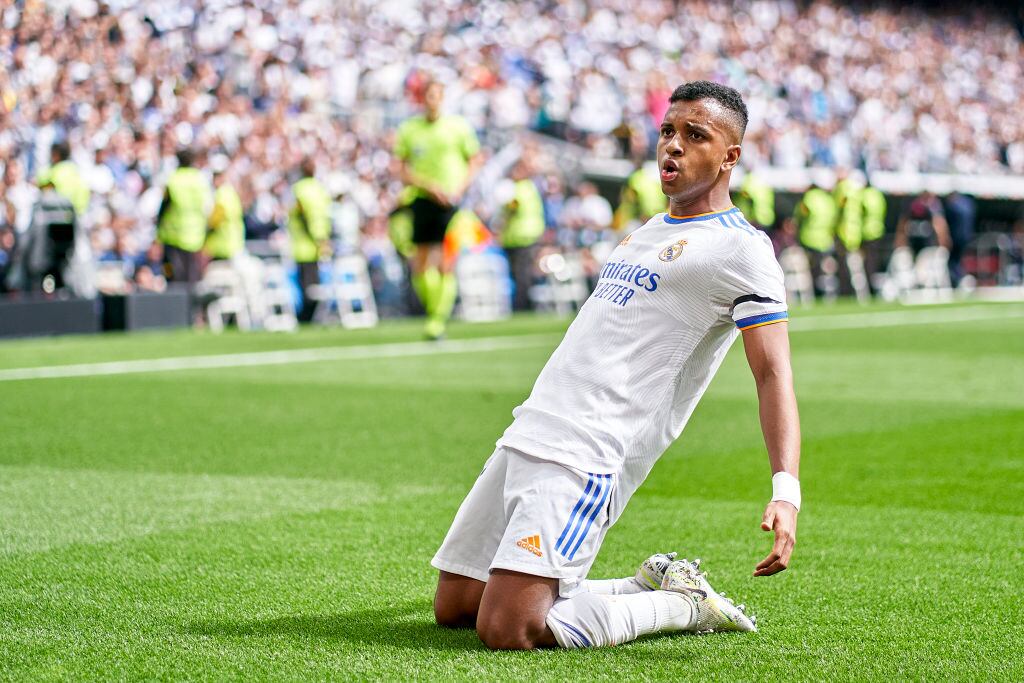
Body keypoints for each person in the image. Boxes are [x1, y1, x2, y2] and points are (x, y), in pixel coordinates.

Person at [431, 81, 800, 650]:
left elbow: (773, 374)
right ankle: (640, 585)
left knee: (510, 628)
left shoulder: (742, 250)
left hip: (590, 448)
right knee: (456, 607)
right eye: (668, 132)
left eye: (694, 135)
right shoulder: (647, 231)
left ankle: (680, 606)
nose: (672, 146)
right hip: (532, 426)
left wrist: (785, 490)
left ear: (730, 157)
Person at [393, 79, 481, 339]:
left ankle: (437, 320)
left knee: (446, 260)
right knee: (420, 263)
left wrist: (459, 188)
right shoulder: (410, 129)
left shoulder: (458, 127)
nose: (432, 101)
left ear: (442, 98)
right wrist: (428, 186)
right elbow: (401, 168)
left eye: (436, 96)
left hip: (452, 202)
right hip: (422, 198)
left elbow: (474, 160)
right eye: (427, 96)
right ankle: (435, 310)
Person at [157, 149, 212, 288]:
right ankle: (192, 308)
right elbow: (207, 207)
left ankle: (177, 307)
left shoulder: (173, 179)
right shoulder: (200, 180)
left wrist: (157, 229)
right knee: (191, 276)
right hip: (195, 236)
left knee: (173, 276)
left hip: (173, 236)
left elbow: (164, 206)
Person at [497, 159, 546, 311]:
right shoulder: (531, 187)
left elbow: (512, 208)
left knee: (520, 274)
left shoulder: (519, 188)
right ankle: (526, 303)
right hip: (529, 235)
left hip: (519, 237)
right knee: (524, 273)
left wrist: (500, 226)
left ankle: (521, 305)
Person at [288, 158, 332, 323]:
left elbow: (302, 215)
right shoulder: (320, 189)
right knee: (315, 282)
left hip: (304, 244)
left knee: (307, 285)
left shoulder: (299, 189)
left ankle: (307, 316)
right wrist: (322, 240)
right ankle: (312, 314)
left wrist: (312, 236)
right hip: (320, 242)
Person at [204, 169, 245, 262]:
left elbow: (215, 219)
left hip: (221, 243)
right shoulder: (231, 193)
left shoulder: (221, 194)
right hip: (234, 241)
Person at [895, 191, 951, 257]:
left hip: (927, 245)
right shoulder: (913, 205)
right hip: (915, 244)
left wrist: (943, 240)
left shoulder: (933, 206)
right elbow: (903, 225)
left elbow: (939, 225)